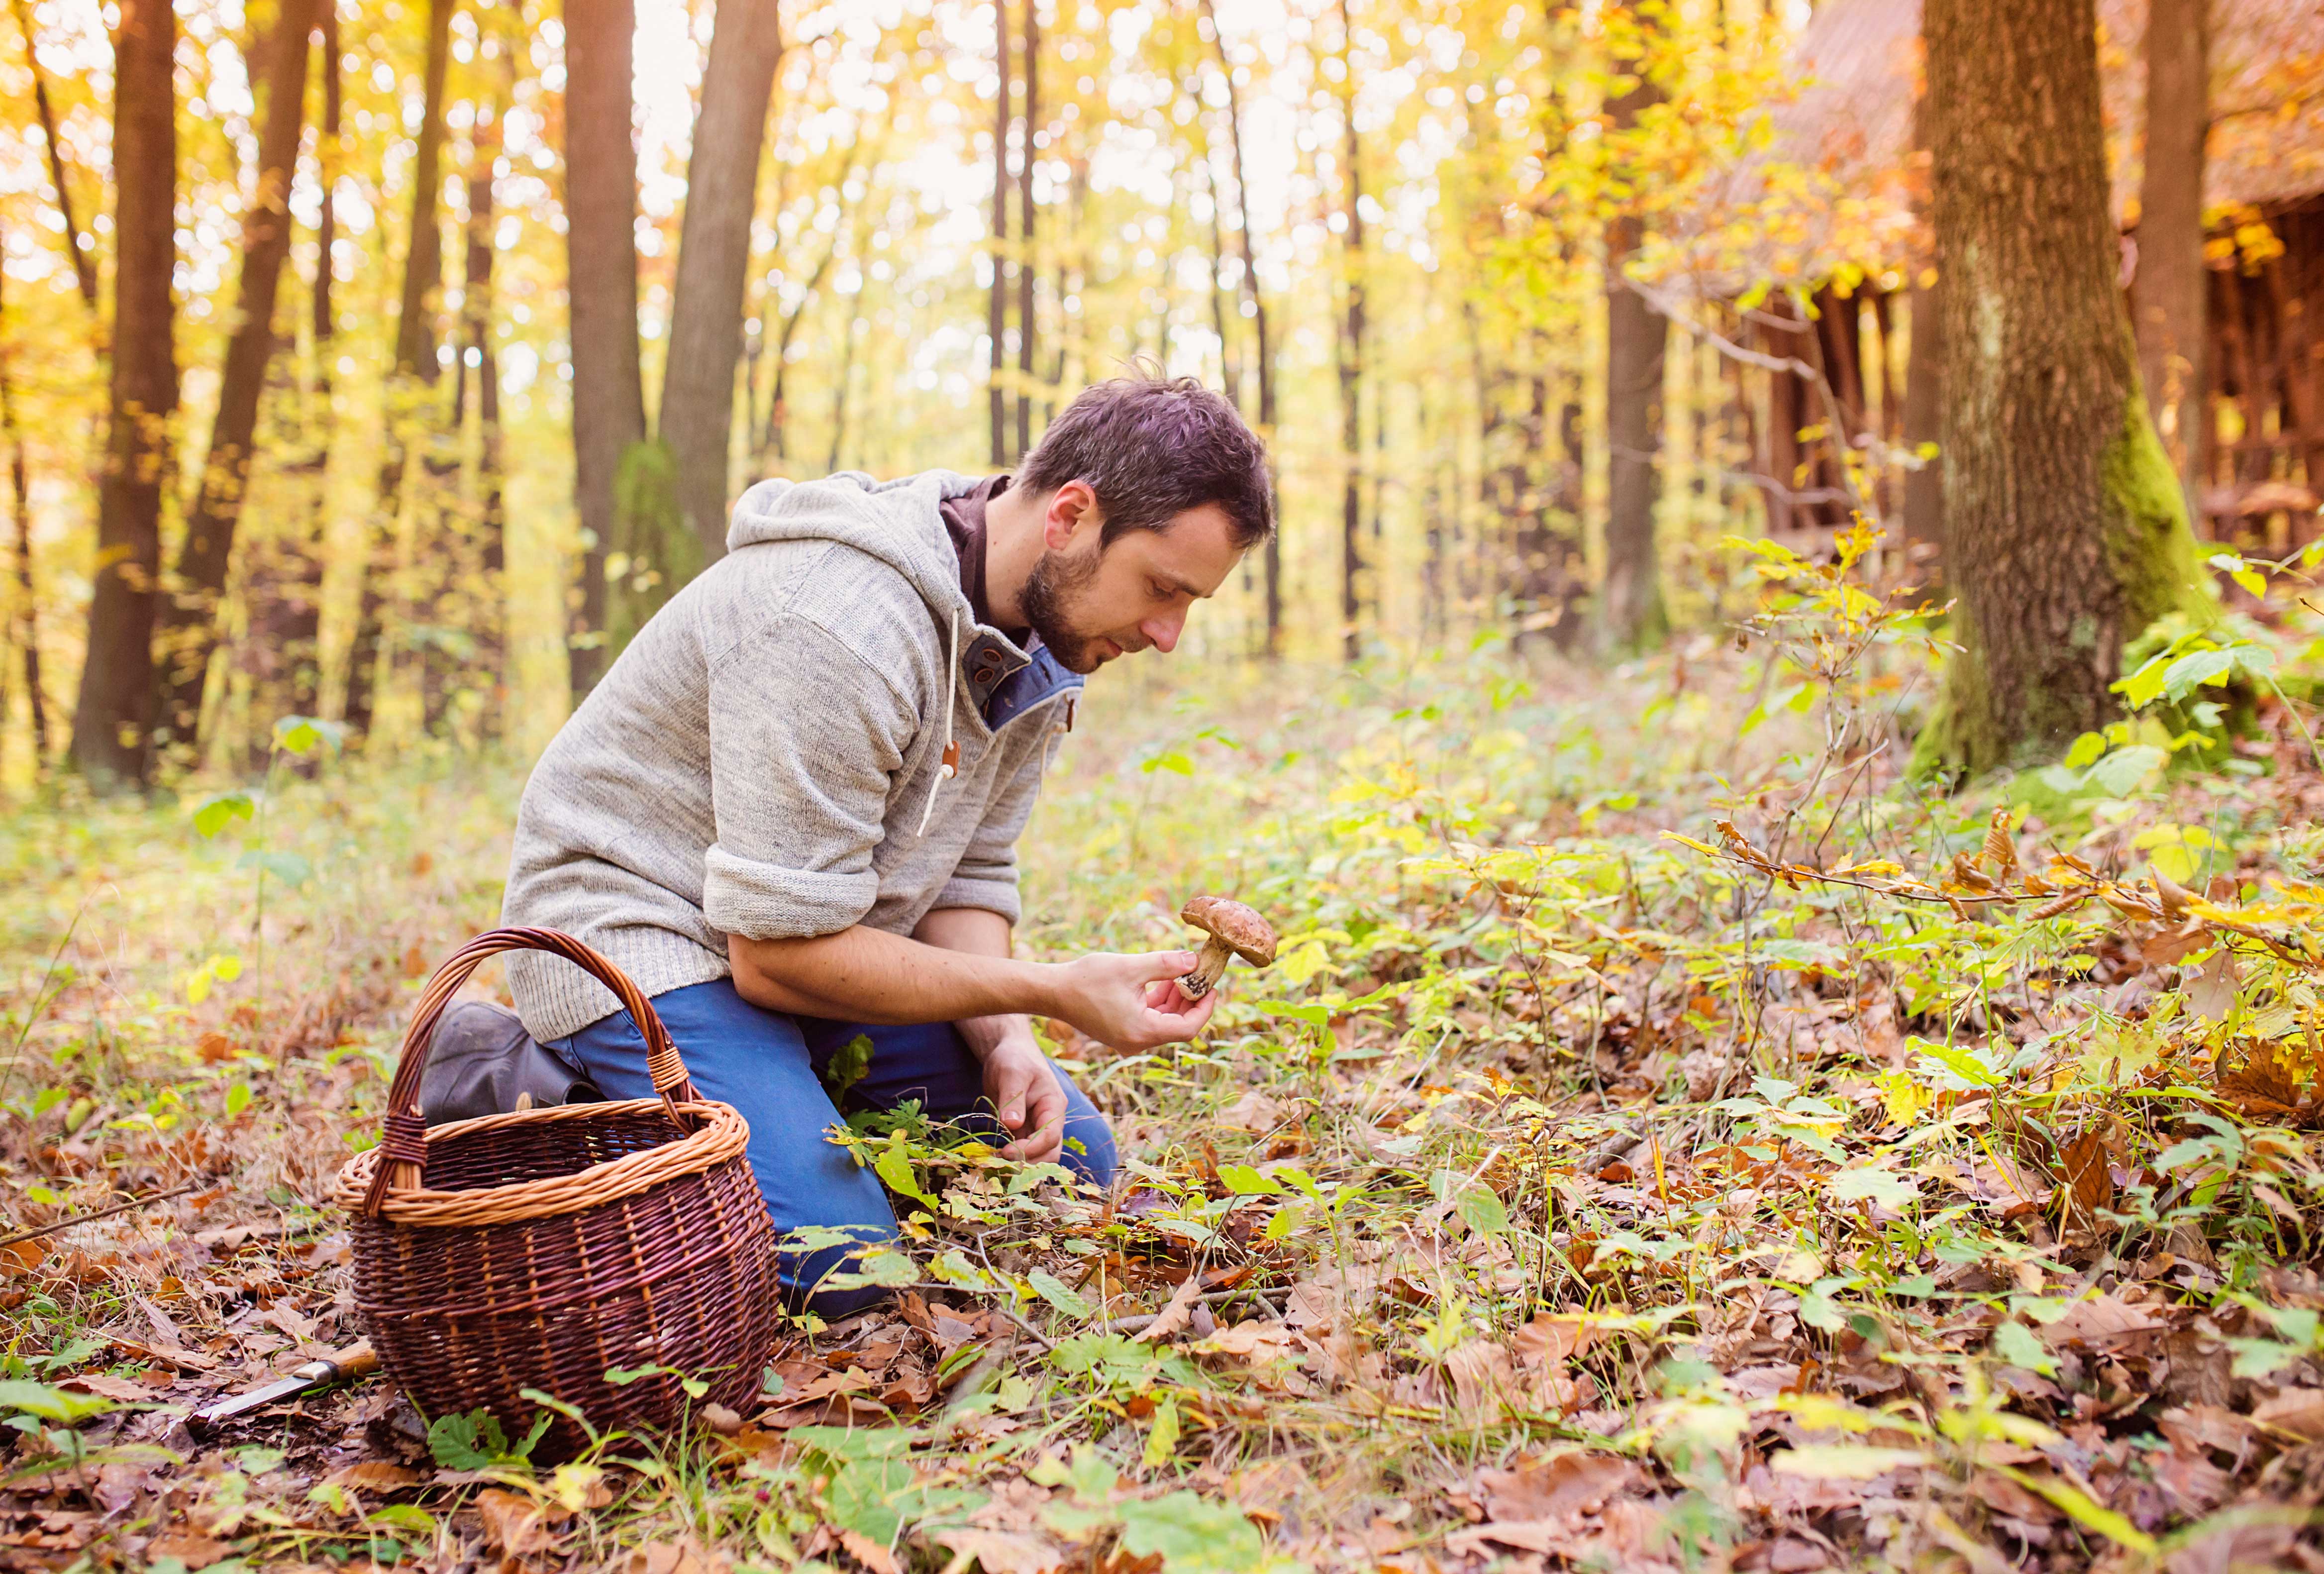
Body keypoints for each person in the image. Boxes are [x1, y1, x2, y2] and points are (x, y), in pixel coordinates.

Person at [493, 375, 1274, 1314]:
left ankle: (777, 1097)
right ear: (1071, 514)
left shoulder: (1050, 637)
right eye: (1161, 588)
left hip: (815, 943)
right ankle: (560, 1102)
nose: (1167, 634)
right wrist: (1054, 988)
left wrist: (1009, 1039)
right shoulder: (837, 627)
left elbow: (969, 871)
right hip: (639, 939)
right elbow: (778, 956)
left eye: (1190, 603)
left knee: (1071, 1163)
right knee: (843, 1268)